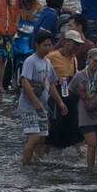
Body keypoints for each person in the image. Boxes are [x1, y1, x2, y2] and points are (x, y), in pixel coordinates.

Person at [19, 30, 67, 166]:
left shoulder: (47, 63)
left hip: (43, 107)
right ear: (37, 45)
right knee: (34, 137)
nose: (48, 48)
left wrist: (60, 102)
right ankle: (25, 165)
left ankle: (37, 163)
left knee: (42, 139)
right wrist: (35, 102)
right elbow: (24, 82)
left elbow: (51, 84)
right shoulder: (30, 61)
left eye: (49, 45)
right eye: (45, 45)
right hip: (29, 107)